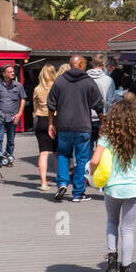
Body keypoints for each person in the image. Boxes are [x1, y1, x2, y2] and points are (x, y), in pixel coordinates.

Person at [90, 100, 136, 272]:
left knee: (112, 222)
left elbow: (94, 160)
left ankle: (112, 260)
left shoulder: (106, 138)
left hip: (112, 187)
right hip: (134, 188)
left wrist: (92, 173)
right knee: (127, 229)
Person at [45, 55, 106, 203]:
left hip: (63, 126)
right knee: (82, 159)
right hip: (82, 126)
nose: (86, 66)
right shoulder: (88, 82)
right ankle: (78, 193)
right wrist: (103, 123)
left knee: (62, 155)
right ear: (81, 65)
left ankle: (62, 183)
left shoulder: (59, 81)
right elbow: (98, 105)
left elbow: (51, 105)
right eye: (85, 64)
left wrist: (51, 124)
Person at [0, 66, 25, 166]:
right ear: (4, 74)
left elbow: (23, 99)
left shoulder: (19, 86)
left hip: (13, 117)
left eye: (13, 71)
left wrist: (19, 114)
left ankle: (8, 158)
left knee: (11, 140)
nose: (12, 73)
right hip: (0, 116)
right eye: (9, 72)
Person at [31, 64, 58, 192]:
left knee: (43, 152)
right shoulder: (57, 87)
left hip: (41, 119)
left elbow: (35, 108)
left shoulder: (37, 89)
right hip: (56, 119)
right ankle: (60, 179)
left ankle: (43, 182)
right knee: (57, 153)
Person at [87, 54, 115, 140]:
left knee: (87, 147)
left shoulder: (85, 78)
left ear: (92, 63)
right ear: (103, 63)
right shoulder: (108, 80)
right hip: (104, 117)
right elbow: (110, 101)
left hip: (87, 117)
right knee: (102, 148)